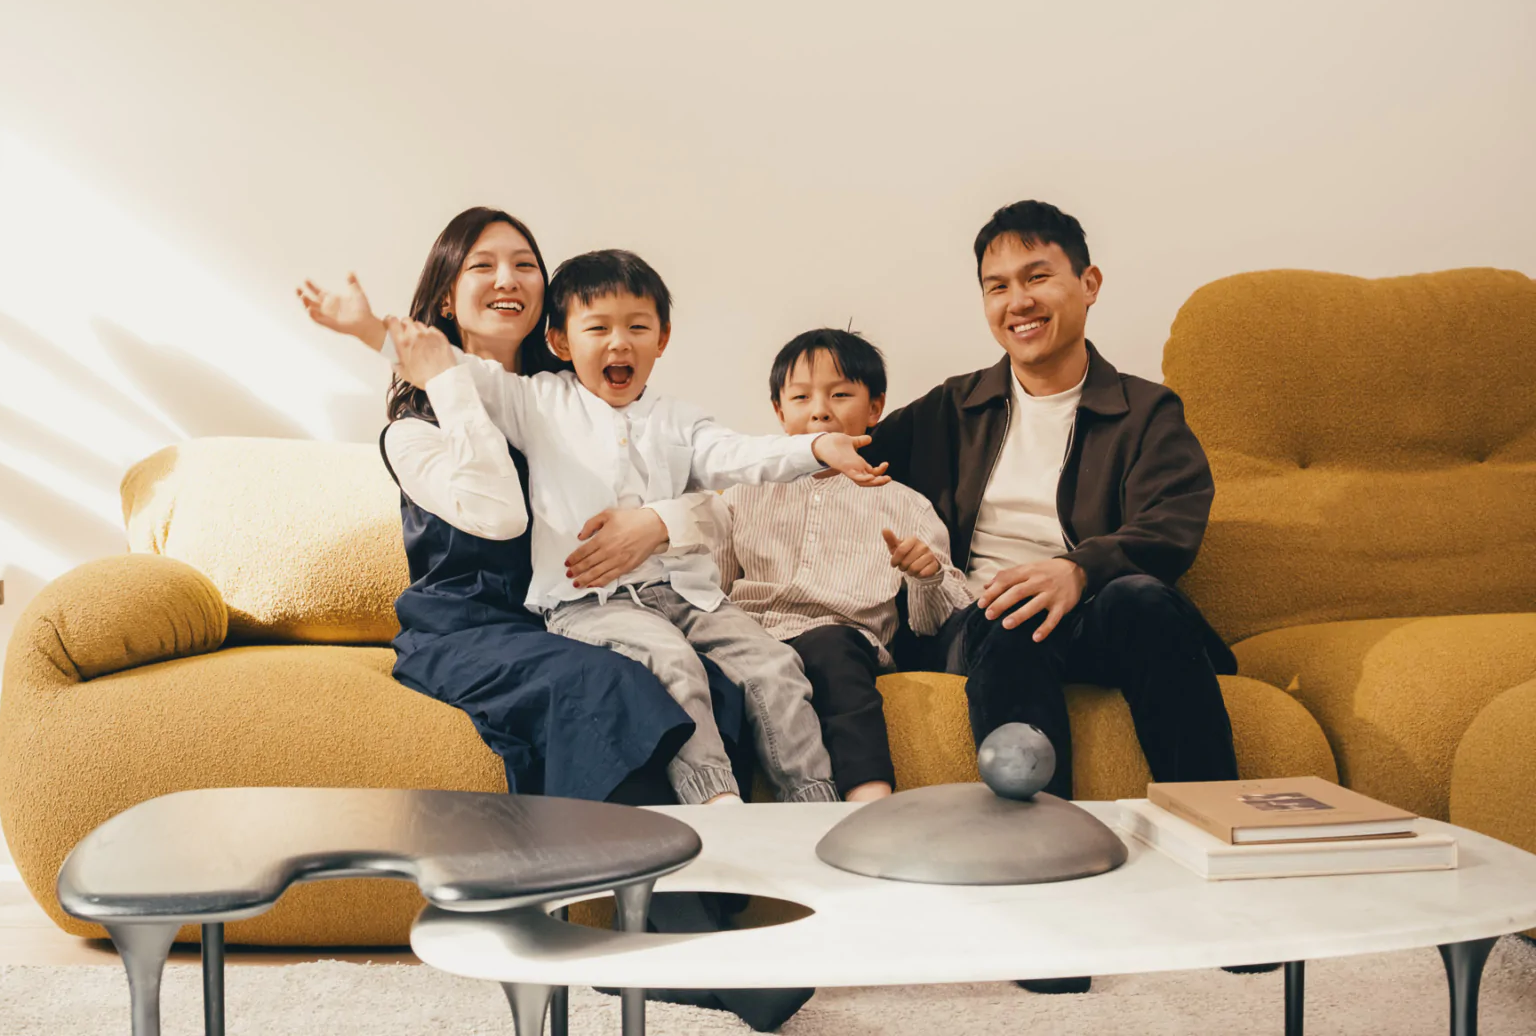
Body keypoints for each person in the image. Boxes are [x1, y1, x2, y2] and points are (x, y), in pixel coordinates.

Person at [299, 212, 811, 1030]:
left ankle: (730, 906)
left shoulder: (576, 399)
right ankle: (680, 942)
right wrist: (431, 370)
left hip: (576, 611)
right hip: (468, 627)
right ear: (444, 294)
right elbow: (500, 516)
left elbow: (713, 498)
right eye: (483, 266)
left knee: (707, 676)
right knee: (611, 683)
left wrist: (661, 522)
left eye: (525, 263)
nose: (508, 279)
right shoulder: (416, 428)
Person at [866, 200, 1240, 994]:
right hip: (988, 619)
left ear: (1088, 283)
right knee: (1006, 620)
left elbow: (1173, 523)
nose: (1018, 301)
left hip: (1104, 610)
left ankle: (1221, 876)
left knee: (1141, 600)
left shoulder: (1145, 410)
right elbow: (843, 455)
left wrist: (1079, 568)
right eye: (997, 286)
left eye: (1038, 277)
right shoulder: (952, 408)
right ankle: (1047, 909)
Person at [390, 249, 892, 807]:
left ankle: (814, 807)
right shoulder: (536, 401)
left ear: (663, 337)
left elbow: (740, 457)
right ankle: (718, 806)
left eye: (637, 327)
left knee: (775, 665)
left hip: (688, 594)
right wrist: (366, 328)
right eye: (598, 328)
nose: (619, 343)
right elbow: (458, 370)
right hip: (592, 600)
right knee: (671, 666)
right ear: (560, 341)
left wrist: (816, 445)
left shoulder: (680, 418)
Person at [710, 328, 973, 801]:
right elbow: (713, 589)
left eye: (840, 394)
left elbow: (936, 621)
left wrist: (926, 575)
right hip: (751, 639)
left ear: (875, 408)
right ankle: (728, 813)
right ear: (779, 412)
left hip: (844, 639)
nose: (820, 410)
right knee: (715, 676)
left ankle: (868, 801)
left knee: (833, 654)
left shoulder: (905, 505)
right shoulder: (743, 495)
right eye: (801, 396)